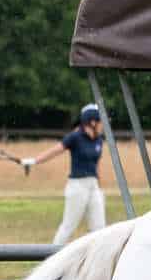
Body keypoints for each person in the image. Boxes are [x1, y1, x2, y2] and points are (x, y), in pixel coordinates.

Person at [22, 104, 106, 244]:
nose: (103, 125)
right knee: (68, 226)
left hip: (93, 186)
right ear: (92, 122)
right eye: (101, 121)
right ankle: (52, 253)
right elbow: (54, 151)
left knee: (100, 228)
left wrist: (99, 187)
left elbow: (97, 166)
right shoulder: (75, 137)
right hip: (77, 187)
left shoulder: (98, 140)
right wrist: (33, 161)